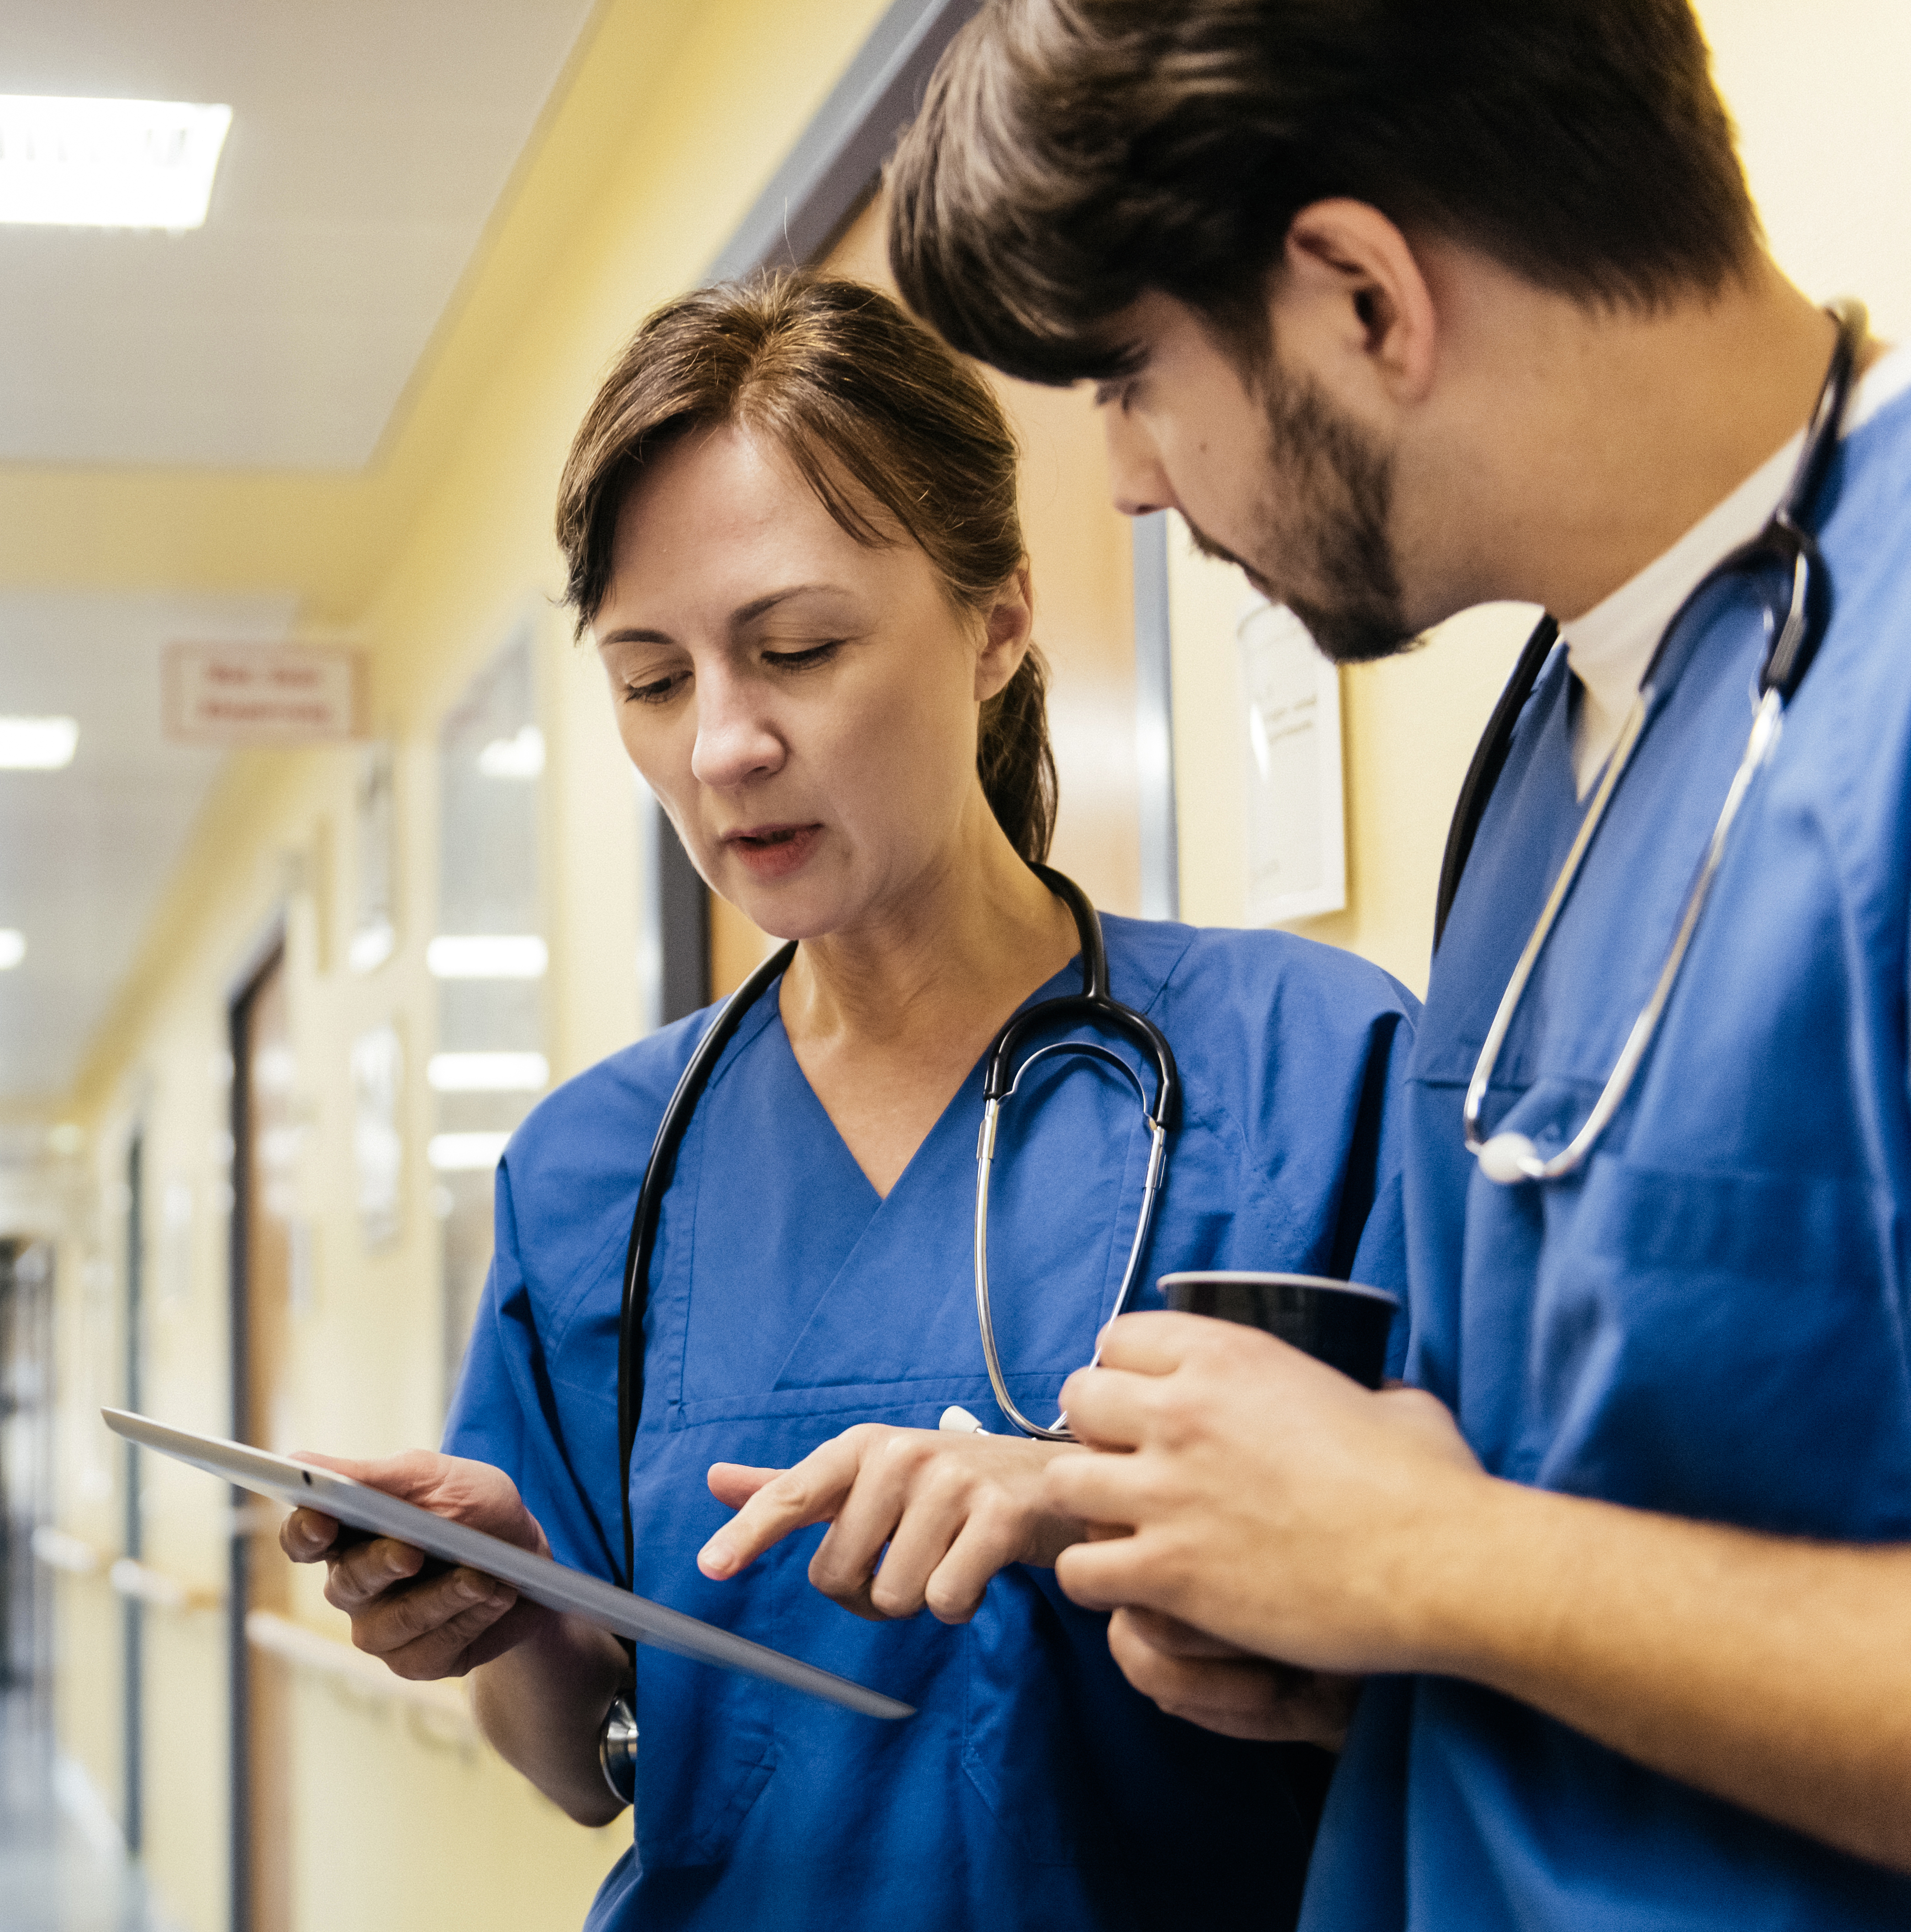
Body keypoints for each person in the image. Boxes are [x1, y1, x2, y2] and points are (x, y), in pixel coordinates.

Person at [883, 2, 1911, 1925]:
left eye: (1127, 375)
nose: (1122, 477)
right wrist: (1327, 1615)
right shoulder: (1556, 737)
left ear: (1363, 296)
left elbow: (1482, 1542)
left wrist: (1433, 1563)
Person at [277, 271, 1418, 1928]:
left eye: (796, 649)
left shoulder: (1312, 1066)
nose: (724, 746)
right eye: (652, 680)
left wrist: (1094, 1511)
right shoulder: (598, 1167)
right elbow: (579, 1758)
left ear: (999, 622)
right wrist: (504, 1608)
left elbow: (1475, 1621)